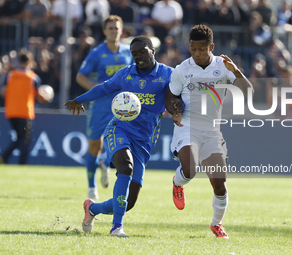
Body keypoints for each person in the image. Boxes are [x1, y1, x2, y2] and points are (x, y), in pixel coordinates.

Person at [64, 35, 173, 237]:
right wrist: (79, 99)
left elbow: (180, 98)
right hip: (119, 129)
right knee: (125, 166)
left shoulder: (168, 74)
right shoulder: (126, 74)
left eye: (142, 52)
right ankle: (117, 227)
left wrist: (179, 109)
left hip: (144, 139)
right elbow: (103, 88)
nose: (138, 56)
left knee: (128, 202)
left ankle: (92, 209)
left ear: (152, 51)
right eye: (134, 54)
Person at [165, 24, 253, 239]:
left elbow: (247, 91)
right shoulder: (182, 70)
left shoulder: (223, 67)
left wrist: (236, 71)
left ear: (211, 46)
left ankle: (216, 224)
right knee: (190, 169)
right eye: (194, 49)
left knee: (219, 183)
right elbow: (170, 96)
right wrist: (174, 112)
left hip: (212, 131)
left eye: (202, 49)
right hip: (187, 128)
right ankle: (178, 183)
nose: (197, 54)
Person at [76, 15, 134, 200]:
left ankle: (105, 163)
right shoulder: (96, 53)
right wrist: (96, 89)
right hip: (100, 106)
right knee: (94, 145)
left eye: (116, 28)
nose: (113, 31)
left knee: (122, 143)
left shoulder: (128, 52)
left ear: (121, 30)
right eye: (110, 28)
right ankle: (92, 186)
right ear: (104, 31)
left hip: (123, 106)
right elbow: (80, 77)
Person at [0, 51, 49, 164]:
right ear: (29, 62)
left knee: (19, 138)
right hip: (25, 112)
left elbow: (3, 92)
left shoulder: (11, 75)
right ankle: (21, 163)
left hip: (11, 111)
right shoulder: (33, 78)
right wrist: (46, 98)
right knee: (25, 140)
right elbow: (40, 97)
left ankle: (4, 157)